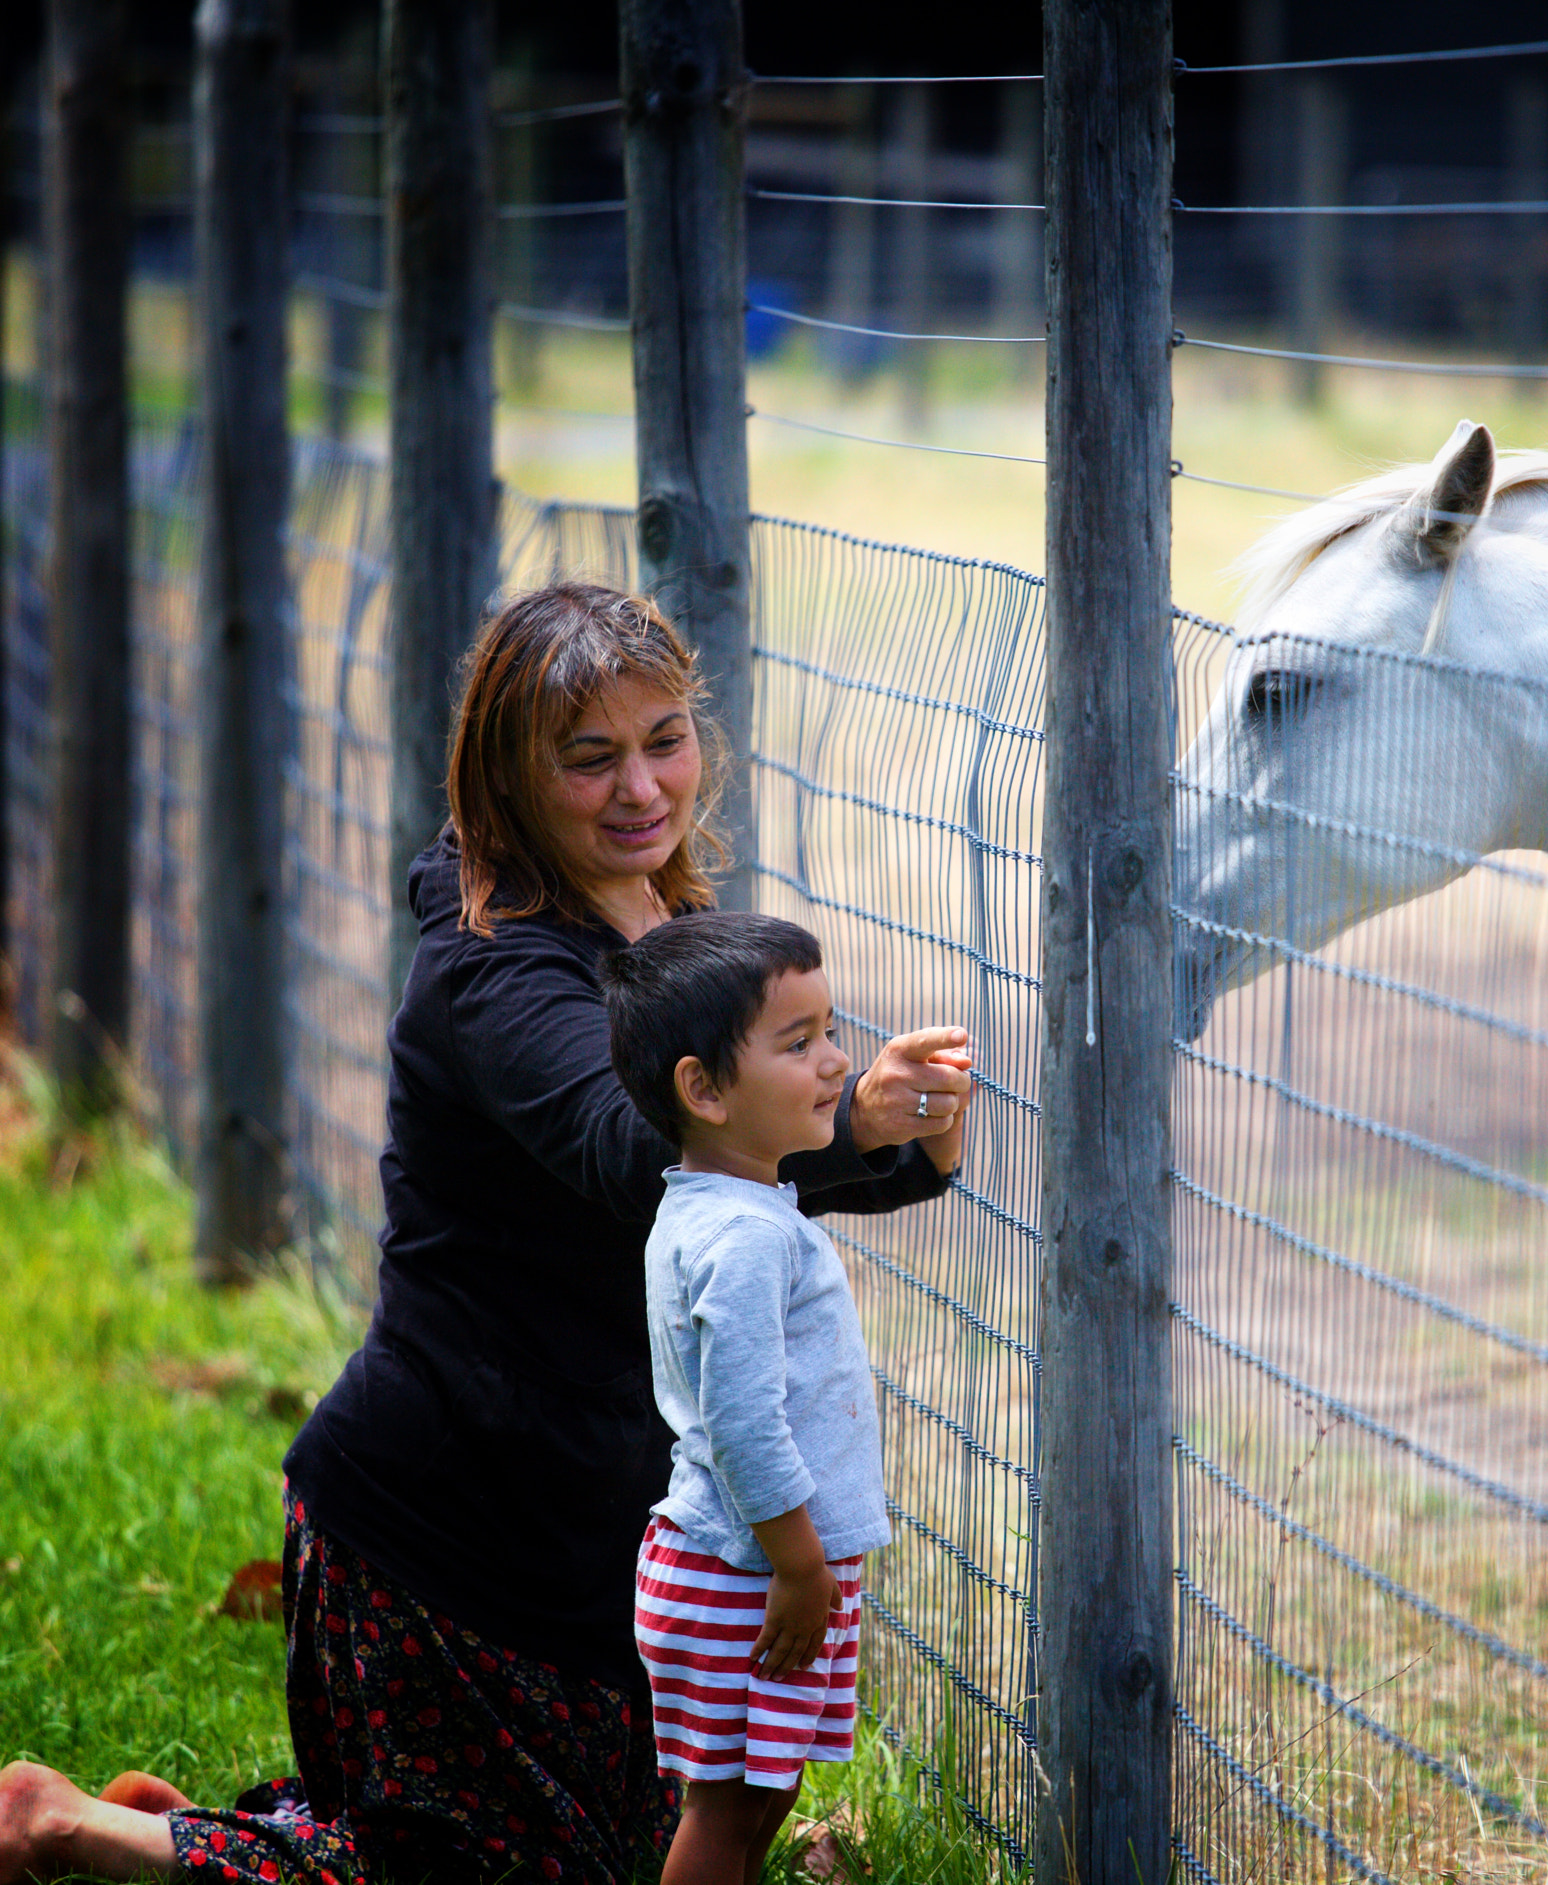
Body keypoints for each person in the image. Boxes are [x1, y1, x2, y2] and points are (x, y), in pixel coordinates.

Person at [0, 584, 974, 1885]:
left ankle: (212, 1832)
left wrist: (906, 1139)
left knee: (591, 1854)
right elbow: (633, 1150)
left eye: (665, 738)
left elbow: (737, 1167)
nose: (641, 786)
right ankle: (73, 1826)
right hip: (438, 1530)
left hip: (581, 1530)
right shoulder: (494, 966)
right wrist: (850, 1116)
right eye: (591, 758)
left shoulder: (662, 926)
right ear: (511, 774)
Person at [600, 910, 963, 1885]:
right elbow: (744, 1426)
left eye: (829, 1031)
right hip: (748, 1568)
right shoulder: (746, 1236)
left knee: (756, 1798)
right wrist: (800, 1569)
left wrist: (938, 1135)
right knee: (727, 1813)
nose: (837, 1063)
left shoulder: (729, 1202)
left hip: (743, 1559)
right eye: (798, 1043)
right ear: (704, 1087)